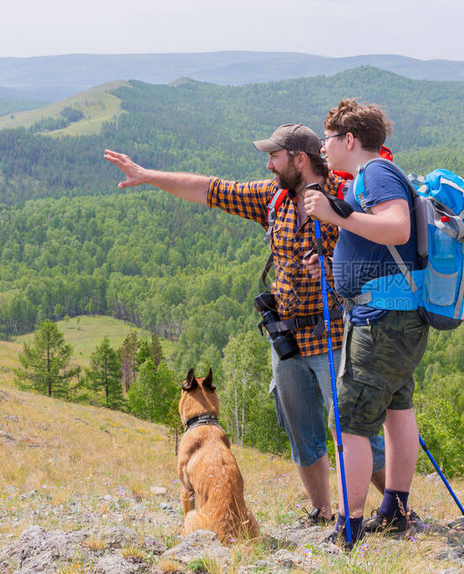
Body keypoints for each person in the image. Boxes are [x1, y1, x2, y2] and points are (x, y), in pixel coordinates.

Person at [104, 124, 386, 526]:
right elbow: (209, 189)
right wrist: (148, 176)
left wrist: (335, 268)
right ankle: (322, 512)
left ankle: (395, 509)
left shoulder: (344, 198)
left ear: (299, 159)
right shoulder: (273, 198)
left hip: (333, 337)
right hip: (286, 338)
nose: (269, 165)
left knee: (354, 431)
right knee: (301, 432)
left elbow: (377, 256)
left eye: (275, 157)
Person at [305, 100, 429, 546]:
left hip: (380, 321)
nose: (323, 146)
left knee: (353, 421)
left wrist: (333, 214)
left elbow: (395, 228)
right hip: (398, 315)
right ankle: (394, 510)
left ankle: (348, 527)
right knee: (398, 408)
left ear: (349, 140)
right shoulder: (372, 177)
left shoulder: (375, 174)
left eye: (328, 138)